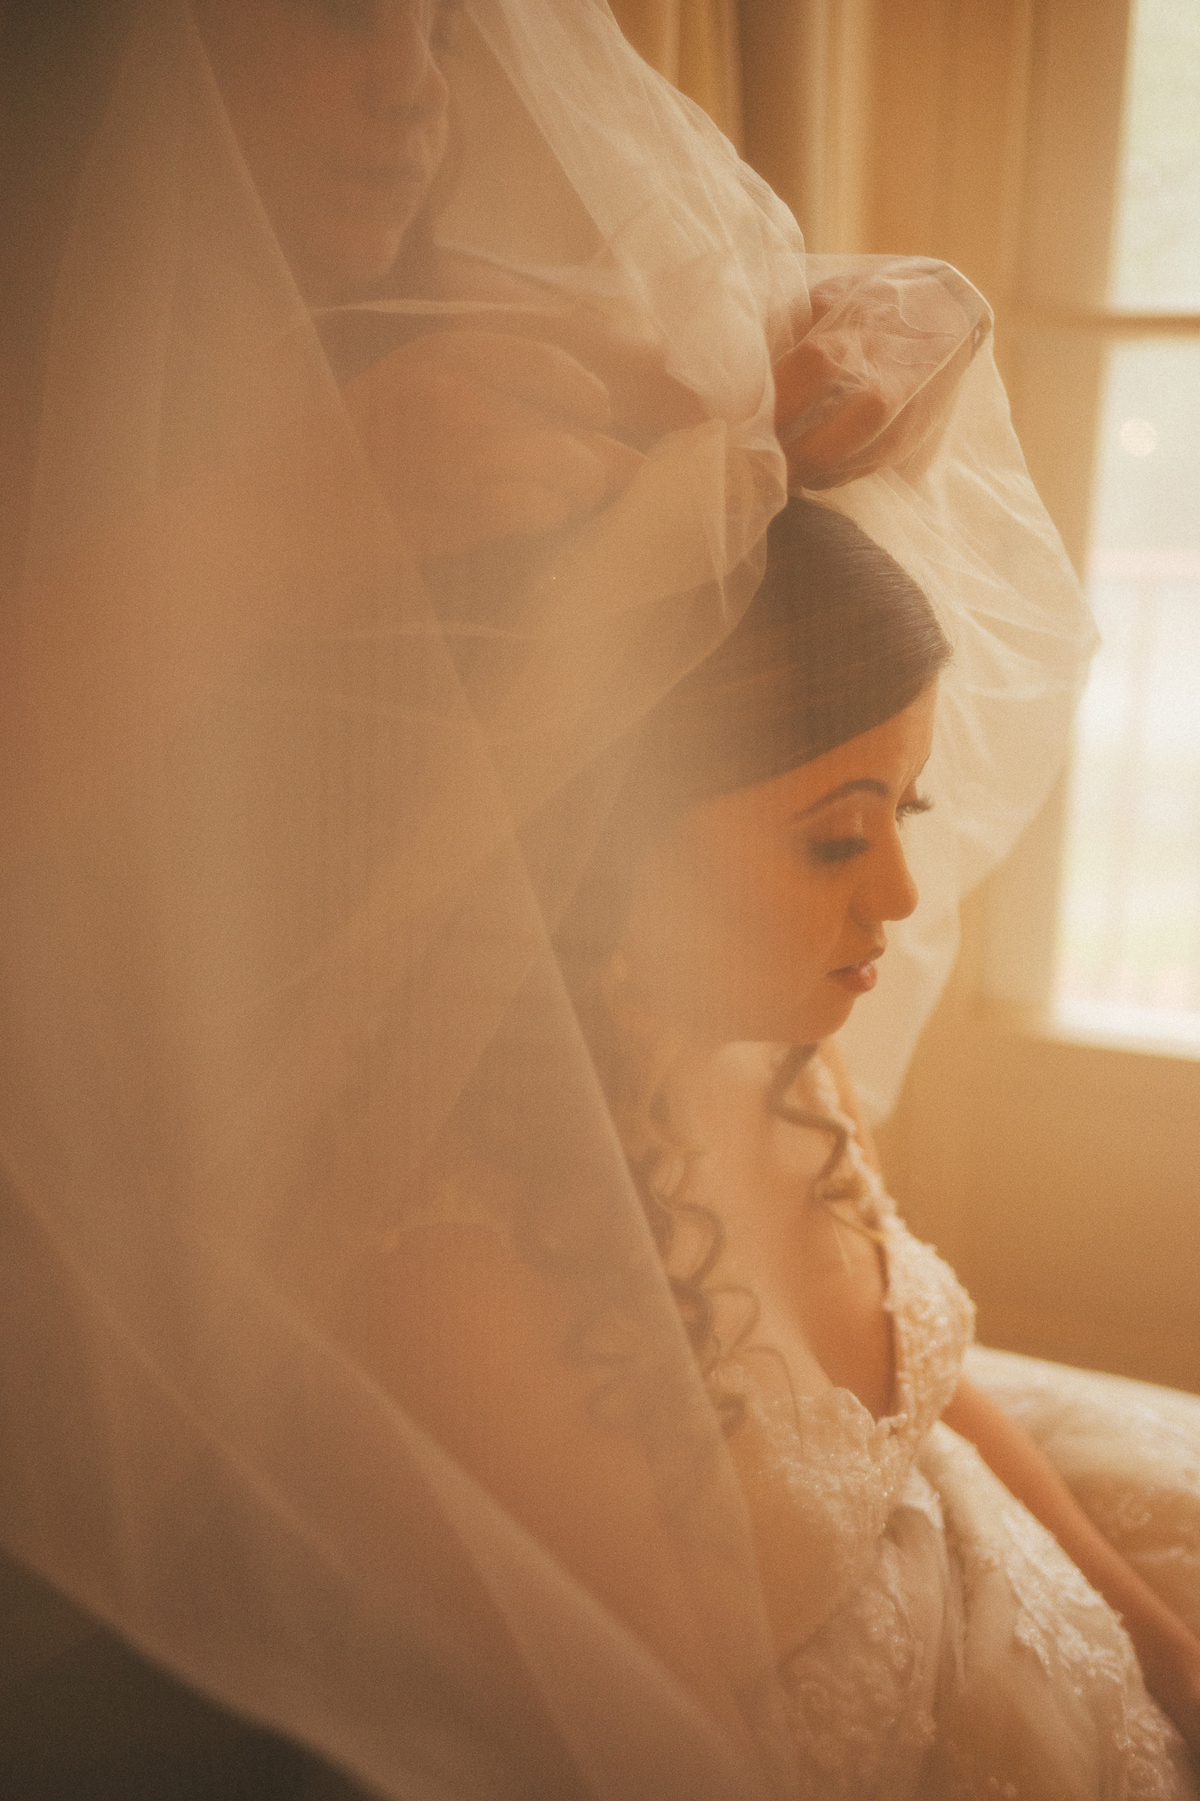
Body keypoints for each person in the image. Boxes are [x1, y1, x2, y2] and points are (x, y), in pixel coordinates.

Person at [0, 1, 1106, 1796]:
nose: (411, 91)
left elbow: (764, 360)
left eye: (445, 32)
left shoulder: (444, 316)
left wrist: (900, 314)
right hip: (142, 1289)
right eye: (339, 24)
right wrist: (269, 528)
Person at [542, 494, 1200, 1798]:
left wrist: (1166, 1652)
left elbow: (919, 1396)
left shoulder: (786, 1052)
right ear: (615, 835)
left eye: (910, 808)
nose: (898, 890)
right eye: (837, 835)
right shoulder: (506, 1221)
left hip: (1005, 1589)